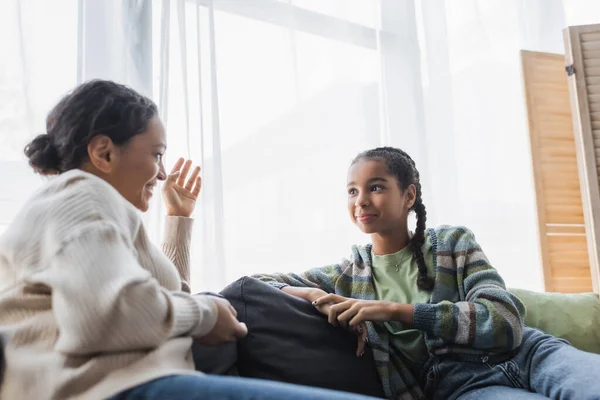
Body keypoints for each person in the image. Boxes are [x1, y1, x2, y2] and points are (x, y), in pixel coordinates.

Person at [0, 80, 380, 400]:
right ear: (103, 152)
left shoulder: (89, 208)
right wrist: (206, 314)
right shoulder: (79, 197)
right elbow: (108, 318)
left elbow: (164, 296)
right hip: (102, 389)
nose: (163, 173)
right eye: (157, 154)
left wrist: (178, 219)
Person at [254, 147, 600, 400]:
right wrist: (317, 296)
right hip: (465, 388)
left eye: (375, 187)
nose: (360, 200)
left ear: (408, 195)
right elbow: (257, 286)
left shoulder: (453, 243)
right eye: (352, 191)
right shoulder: (346, 277)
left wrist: (395, 311)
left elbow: (505, 320)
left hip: (533, 355)